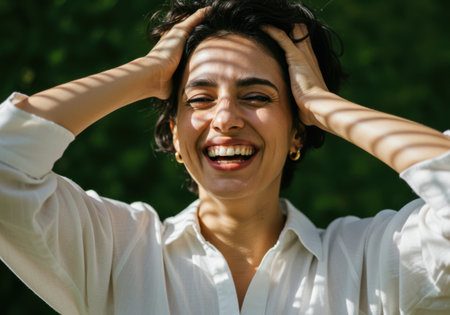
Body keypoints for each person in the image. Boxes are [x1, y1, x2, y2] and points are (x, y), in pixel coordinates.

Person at [1, 0, 449, 314]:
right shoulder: (118, 252)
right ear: (175, 136)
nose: (226, 118)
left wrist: (320, 102)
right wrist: (147, 73)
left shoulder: (373, 260)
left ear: (297, 132)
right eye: (199, 98)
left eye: (256, 95)